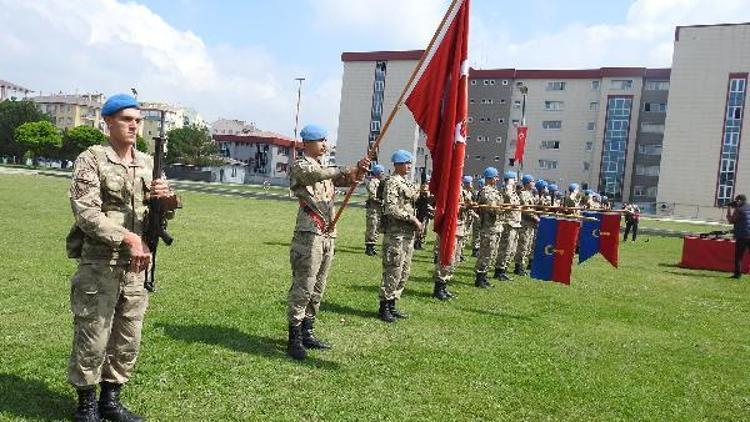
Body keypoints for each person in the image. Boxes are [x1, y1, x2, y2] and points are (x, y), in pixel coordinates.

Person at [66, 93, 181, 422]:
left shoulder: (148, 163)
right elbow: (86, 214)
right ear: (108, 122)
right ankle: (86, 406)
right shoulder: (92, 159)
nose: (134, 125)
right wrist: (128, 238)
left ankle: (110, 401)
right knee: (93, 333)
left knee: (128, 335)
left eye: (137, 120)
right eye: (126, 119)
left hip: (137, 266)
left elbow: (160, 216)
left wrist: (168, 201)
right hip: (100, 263)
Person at [287, 124, 369, 360]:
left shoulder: (326, 168)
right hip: (309, 233)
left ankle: (308, 331)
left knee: (318, 287)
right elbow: (318, 175)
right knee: (303, 286)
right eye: (320, 140)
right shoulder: (301, 165)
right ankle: (294, 338)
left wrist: (359, 171)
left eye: (325, 140)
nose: (325, 144)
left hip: (327, 233)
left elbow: (345, 179)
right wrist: (344, 169)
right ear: (307, 143)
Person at [378, 150, 421, 322]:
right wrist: (412, 218)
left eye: (410, 163)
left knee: (404, 270)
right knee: (393, 269)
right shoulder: (393, 183)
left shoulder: (406, 182)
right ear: (398, 164)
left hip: (407, 233)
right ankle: (384, 306)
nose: (410, 166)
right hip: (396, 233)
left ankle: (393, 303)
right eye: (407, 163)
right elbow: (391, 208)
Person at [433, 175, 477, 300]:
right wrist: (465, 207)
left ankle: (445, 284)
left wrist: (468, 207)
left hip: (460, 228)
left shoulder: (461, 191)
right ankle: (439, 287)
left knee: (455, 259)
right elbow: (448, 208)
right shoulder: (449, 190)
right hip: (451, 227)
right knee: (447, 257)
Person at [473, 167, 504, 288]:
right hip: (488, 227)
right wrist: (502, 210)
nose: (497, 179)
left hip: (495, 227)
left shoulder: (494, 191)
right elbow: (493, 210)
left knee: (491, 253)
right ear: (490, 178)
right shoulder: (487, 192)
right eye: (495, 177)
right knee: (486, 254)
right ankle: (480, 278)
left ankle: (484, 277)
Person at [494, 171, 521, 281]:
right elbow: (509, 200)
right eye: (514, 179)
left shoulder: (513, 192)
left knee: (511, 249)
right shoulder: (506, 190)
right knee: (505, 248)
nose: (516, 181)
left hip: (515, 223)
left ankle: (503, 269)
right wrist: (509, 185)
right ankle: (499, 270)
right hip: (508, 223)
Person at [514, 174, 539, 276]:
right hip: (525, 223)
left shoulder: (530, 194)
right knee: (523, 245)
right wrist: (535, 218)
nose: (534, 183)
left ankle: (522, 265)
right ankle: (518, 266)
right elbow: (525, 210)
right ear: (527, 183)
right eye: (532, 181)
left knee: (527, 246)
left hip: (530, 224)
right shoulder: (524, 194)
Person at [364, 164, 385, 256]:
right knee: (372, 227)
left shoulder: (380, 182)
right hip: (373, 208)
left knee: (377, 227)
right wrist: (381, 201)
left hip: (379, 208)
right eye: (381, 172)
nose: (383, 174)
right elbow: (373, 195)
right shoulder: (373, 182)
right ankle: (369, 247)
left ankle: (373, 246)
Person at [727, 194, 750, 279]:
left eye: (736, 201)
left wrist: (729, 209)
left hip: (742, 236)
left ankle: (737, 274)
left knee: (739, 256)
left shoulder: (739, 210)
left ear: (739, 201)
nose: (736, 203)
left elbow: (731, 221)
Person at [414, 183, 434, 250]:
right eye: (424, 190)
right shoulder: (419, 197)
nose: (426, 191)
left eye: (427, 190)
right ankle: (416, 244)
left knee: (423, 230)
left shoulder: (426, 198)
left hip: (424, 216)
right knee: (418, 231)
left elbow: (428, 206)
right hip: (419, 216)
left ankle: (419, 243)